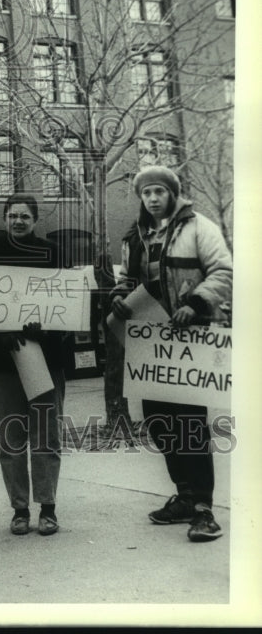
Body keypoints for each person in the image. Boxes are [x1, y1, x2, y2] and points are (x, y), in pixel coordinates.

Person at [109, 165, 232, 542]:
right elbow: (128, 281)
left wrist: (194, 304)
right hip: (151, 343)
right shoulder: (137, 236)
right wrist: (120, 296)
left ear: (173, 194)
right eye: (146, 193)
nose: (153, 198)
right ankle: (183, 495)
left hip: (188, 342)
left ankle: (203, 510)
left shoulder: (199, 227)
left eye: (159, 191)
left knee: (191, 425)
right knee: (159, 421)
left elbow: (224, 271)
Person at [0, 193, 66, 537]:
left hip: (45, 356)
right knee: (11, 437)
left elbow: (65, 302)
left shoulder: (53, 253)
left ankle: (49, 507)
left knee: (46, 435)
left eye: (25, 216)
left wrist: (47, 326)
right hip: (4, 359)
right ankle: (20, 509)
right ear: (5, 217)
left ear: (35, 220)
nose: (19, 221)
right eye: (13, 216)